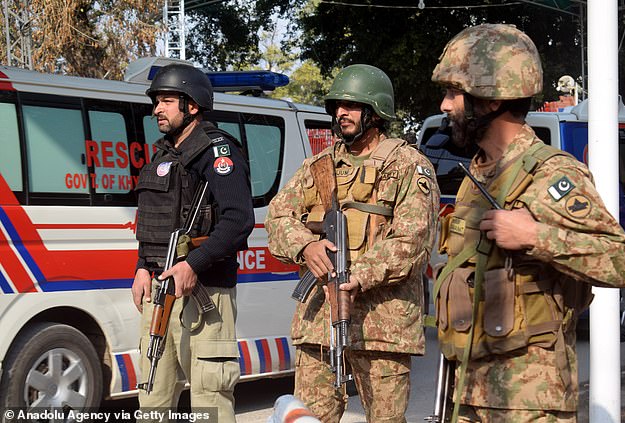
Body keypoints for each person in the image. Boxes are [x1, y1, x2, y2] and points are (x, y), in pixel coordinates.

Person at [430, 23, 625, 422]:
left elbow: (623, 260)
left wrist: (534, 235)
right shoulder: (480, 172)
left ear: (491, 100)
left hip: (527, 400)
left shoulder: (550, 174)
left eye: (454, 92)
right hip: (467, 392)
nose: (445, 105)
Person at [265, 64, 440, 422]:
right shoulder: (320, 166)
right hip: (319, 321)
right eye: (336, 106)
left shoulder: (408, 166)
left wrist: (359, 275)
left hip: (382, 326)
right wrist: (306, 247)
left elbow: (412, 240)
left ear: (376, 112)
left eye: (351, 105)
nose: (340, 113)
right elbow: (277, 216)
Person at [131, 63, 254, 422]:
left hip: (205, 295)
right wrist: (141, 267)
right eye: (156, 101)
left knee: (209, 403)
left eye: (167, 101)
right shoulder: (162, 156)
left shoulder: (218, 153)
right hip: (159, 291)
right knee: (152, 400)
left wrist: (193, 264)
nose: (157, 109)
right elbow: (155, 222)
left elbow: (238, 221)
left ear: (193, 105)